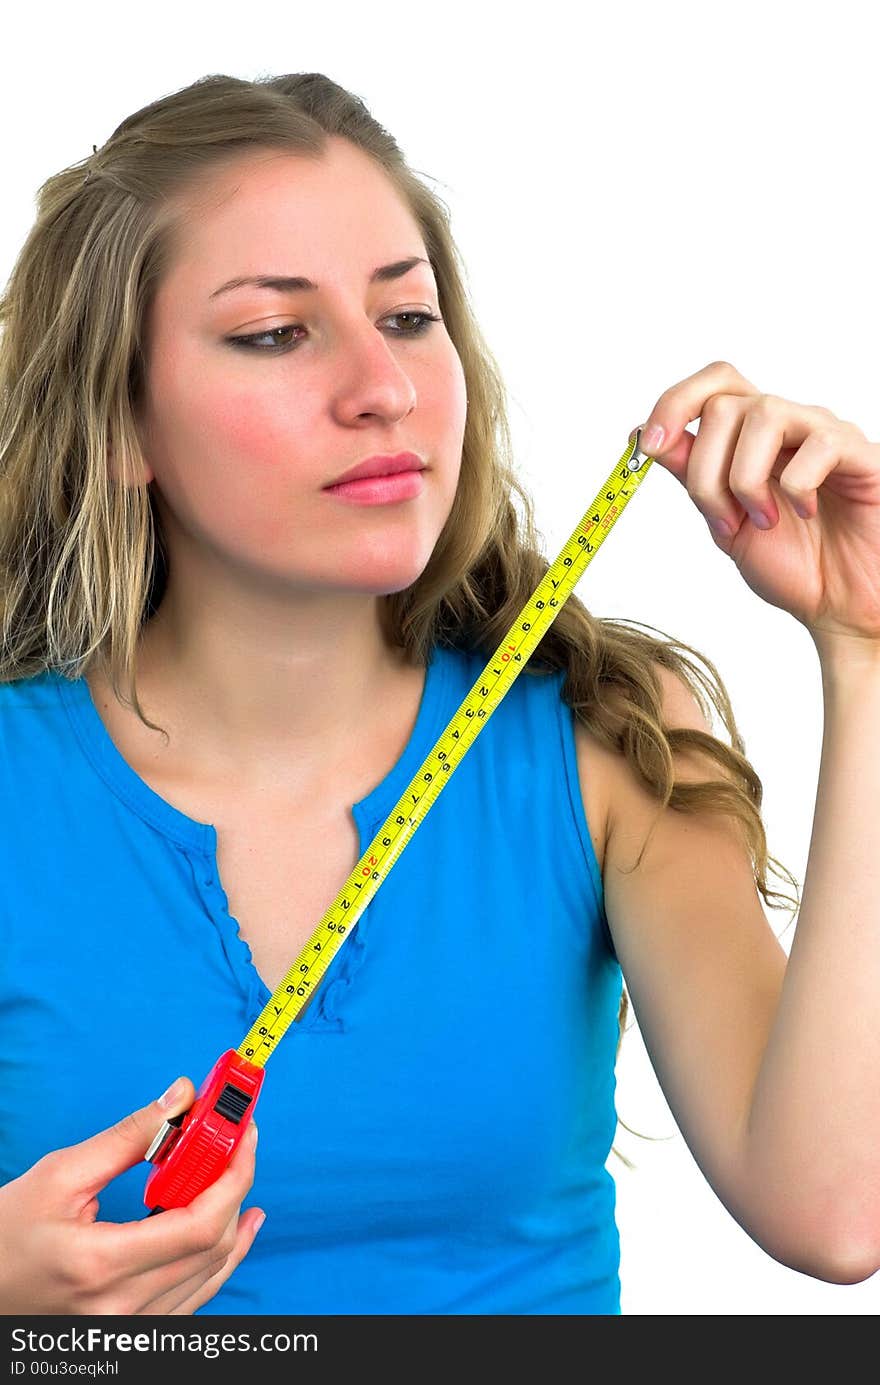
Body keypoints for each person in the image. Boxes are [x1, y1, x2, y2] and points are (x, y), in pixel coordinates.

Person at [1, 72, 878, 1318]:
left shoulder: (600, 734)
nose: (386, 388)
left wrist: (863, 651)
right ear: (121, 417)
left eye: (407, 318)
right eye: (273, 333)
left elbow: (837, 1212)